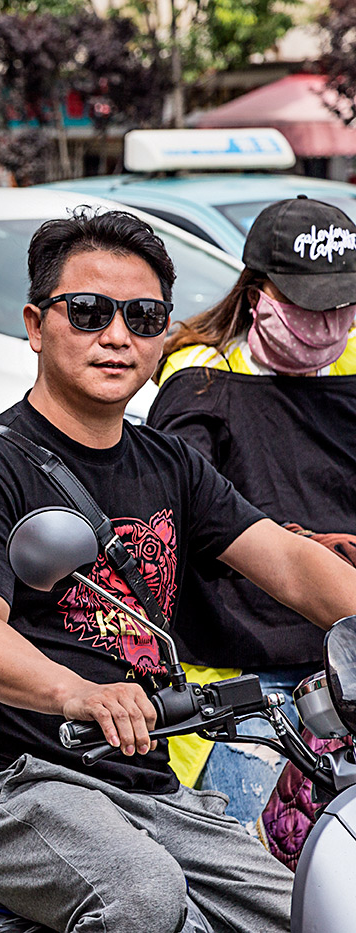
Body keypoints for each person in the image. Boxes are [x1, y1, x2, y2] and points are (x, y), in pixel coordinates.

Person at [0, 208, 356, 933]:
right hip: (10, 783)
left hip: (142, 783)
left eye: (142, 317)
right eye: (88, 312)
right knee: (141, 896)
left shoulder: (168, 462)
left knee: (310, 905)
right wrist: (79, 693)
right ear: (35, 324)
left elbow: (291, 564)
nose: (117, 335)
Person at [148, 196, 356, 857]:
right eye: (307, 304)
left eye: (343, 304)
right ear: (257, 293)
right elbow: (190, 529)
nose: (327, 324)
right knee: (245, 869)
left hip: (349, 655)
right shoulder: (201, 382)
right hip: (243, 680)